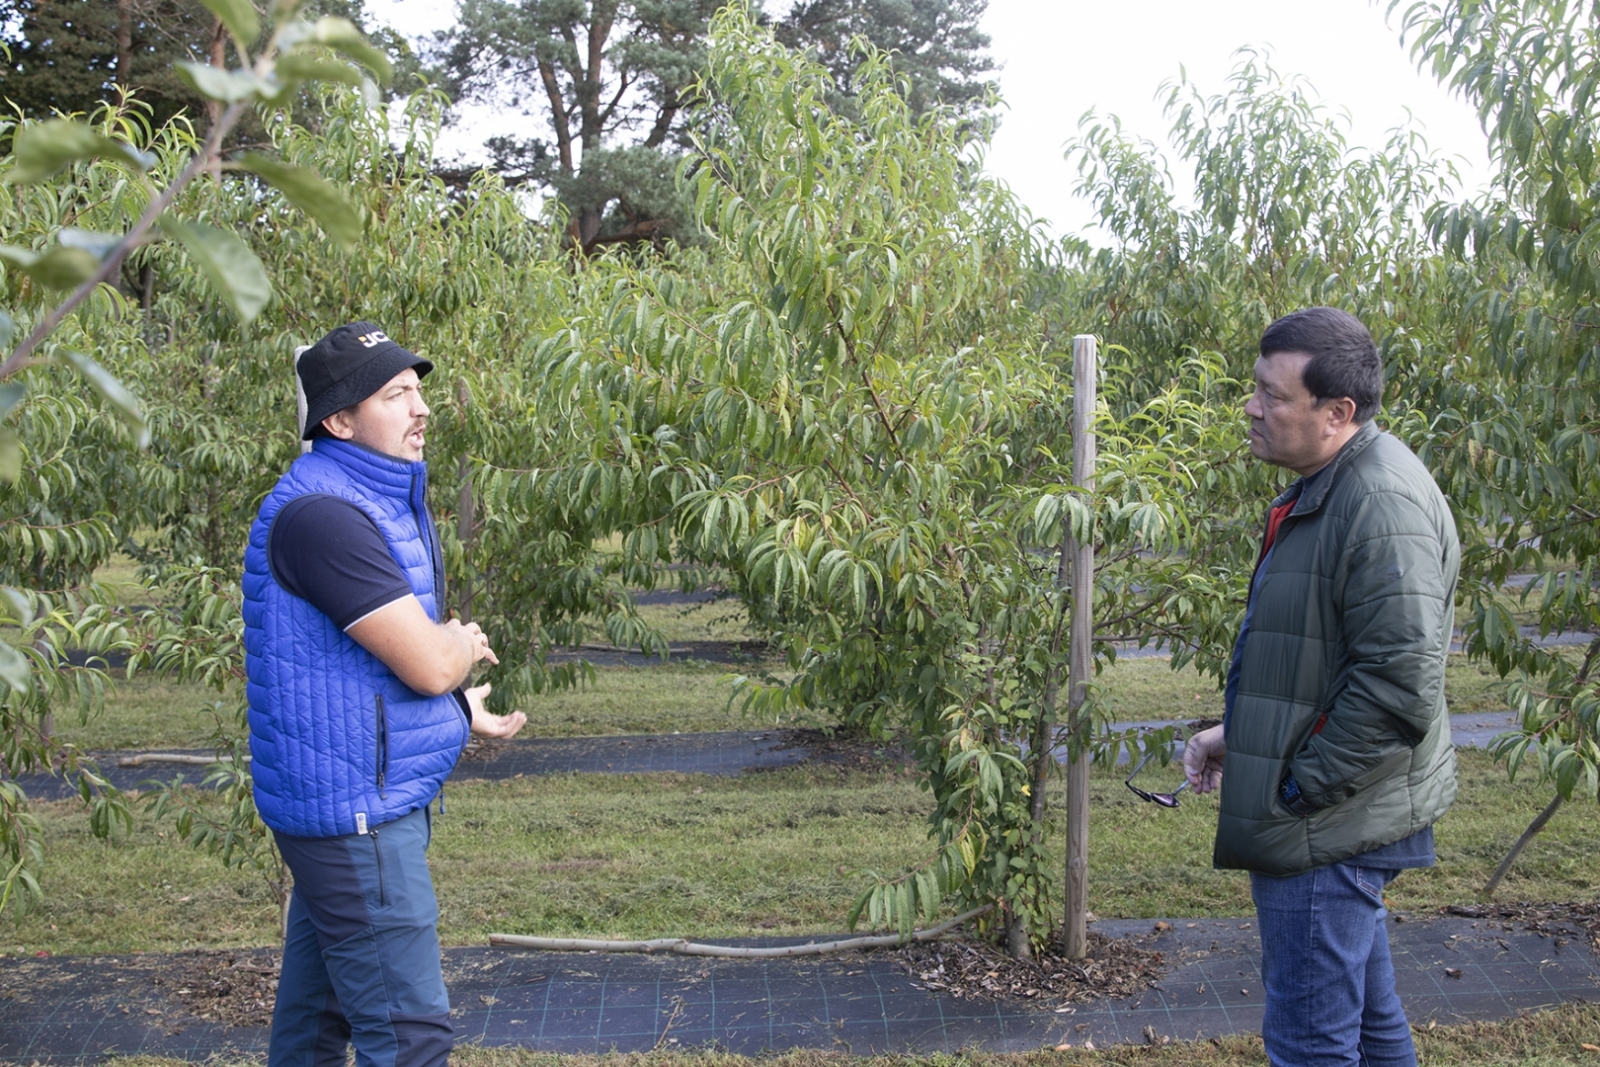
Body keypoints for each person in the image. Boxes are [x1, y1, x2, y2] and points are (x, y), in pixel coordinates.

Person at [242, 321, 527, 1067]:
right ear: (339, 420)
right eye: (396, 394)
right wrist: (458, 650)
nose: (420, 408)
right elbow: (430, 664)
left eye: (419, 392)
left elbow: (348, 676)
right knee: (409, 1039)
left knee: (313, 1028)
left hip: (341, 805)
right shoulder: (326, 517)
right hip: (355, 818)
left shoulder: (360, 500)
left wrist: (460, 710)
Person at [1182, 307, 1459, 1067]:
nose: (1252, 406)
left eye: (1273, 395)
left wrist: (1297, 790)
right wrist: (1237, 736)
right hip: (1340, 814)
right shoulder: (1336, 483)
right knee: (1370, 1027)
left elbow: (1396, 685)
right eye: (1256, 389)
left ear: (1337, 412)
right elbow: (1319, 659)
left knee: (1311, 1045)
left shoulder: (1377, 503)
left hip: (1326, 827)